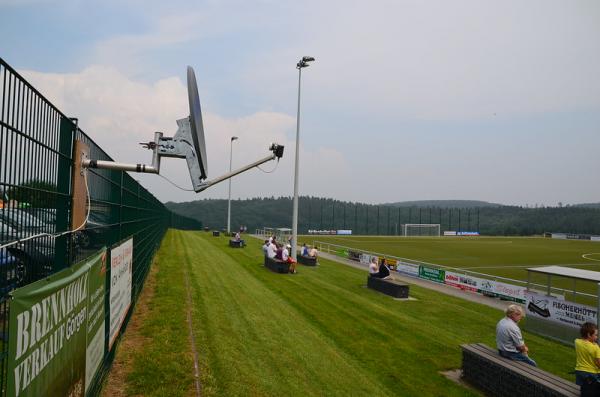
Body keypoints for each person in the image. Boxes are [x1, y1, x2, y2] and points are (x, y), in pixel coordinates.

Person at [574, 322, 600, 395]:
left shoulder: (577, 342)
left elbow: (583, 342)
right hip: (591, 374)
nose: (597, 337)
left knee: (585, 388)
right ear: (589, 334)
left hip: (579, 372)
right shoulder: (595, 347)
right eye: (595, 335)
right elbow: (598, 363)